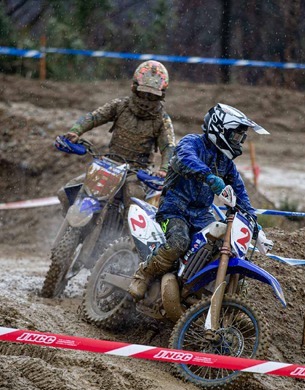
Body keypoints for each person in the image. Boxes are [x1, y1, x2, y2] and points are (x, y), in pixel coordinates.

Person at [128, 103, 268, 301]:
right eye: (235, 136)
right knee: (178, 243)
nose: (238, 142)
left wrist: (255, 226)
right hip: (174, 210)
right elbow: (185, 159)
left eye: (240, 138)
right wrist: (210, 178)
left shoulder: (226, 163)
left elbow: (241, 194)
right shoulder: (191, 143)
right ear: (220, 129)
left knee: (225, 250)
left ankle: (230, 301)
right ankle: (144, 273)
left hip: (201, 215)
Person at [57, 60, 175, 214]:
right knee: (66, 193)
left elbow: (168, 146)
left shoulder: (162, 120)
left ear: (161, 96)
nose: (146, 99)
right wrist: (76, 131)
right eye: (143, 93)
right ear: (134, 88)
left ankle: (126, 238)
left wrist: (164, 169)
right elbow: (95, 117)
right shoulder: (120, 106)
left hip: (136, 171)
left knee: (134, 202)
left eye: (152, 96)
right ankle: (70, 228)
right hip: (108, 164)